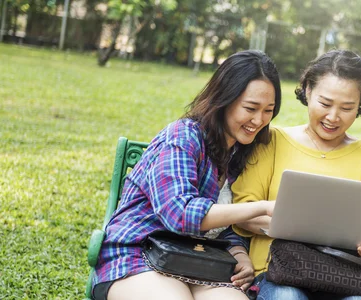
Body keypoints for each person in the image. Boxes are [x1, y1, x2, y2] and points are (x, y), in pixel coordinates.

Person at [91, 50, 283, 300]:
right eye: (250, 108)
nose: (259, 120)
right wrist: (261, 208)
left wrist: (239, 254)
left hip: (200, 261)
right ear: (224, 99)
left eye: (268, 110)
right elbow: (179, 214)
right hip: (138, 256)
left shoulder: (242, 151)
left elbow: (224, 225)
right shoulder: (182, 136)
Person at [231, 50, 361, 300]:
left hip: (347, 277)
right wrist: (304, 229)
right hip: (280, 272)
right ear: (308, 91)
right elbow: (243, 212)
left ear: (360, 106)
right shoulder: (272, 141)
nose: (333, 117)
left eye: (347, 108)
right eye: (325, 103)